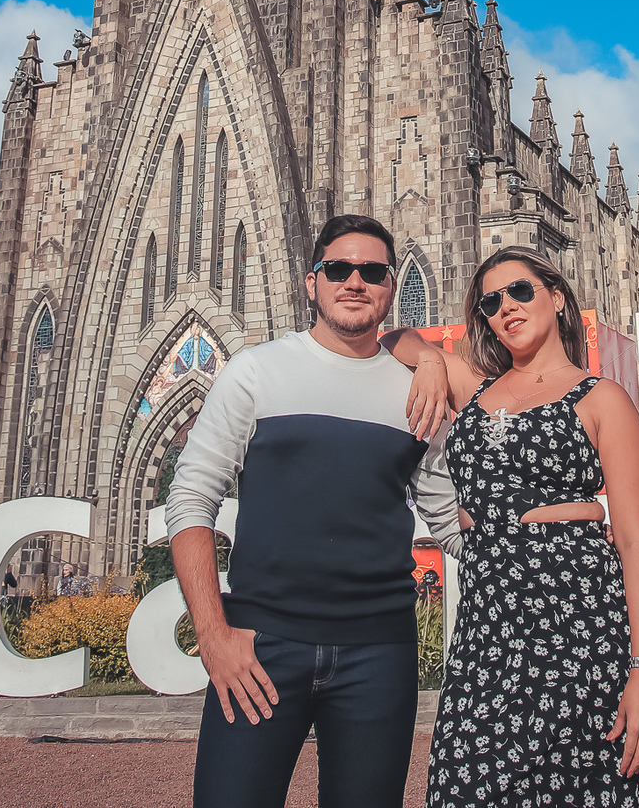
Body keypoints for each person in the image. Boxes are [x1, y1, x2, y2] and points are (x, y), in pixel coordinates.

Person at [167, 213, 457, 808]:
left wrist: (546, 536)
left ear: (390, 287)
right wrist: (213, 634)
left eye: (372, 271)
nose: (355, 282)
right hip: (263, 645)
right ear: (312, 282)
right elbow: (192, 499)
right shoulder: (256, 371)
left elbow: (448, 520)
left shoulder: (418, 391)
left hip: (379, 653)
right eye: (339, 269)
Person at [421, 246, 639, 808]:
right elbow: (396, 342)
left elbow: (634, 543)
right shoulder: (474, 388)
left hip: (579, 625)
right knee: (468, 787)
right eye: (490, 301)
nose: (505, 305)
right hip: (489, 633)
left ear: (556, 298)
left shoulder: (602, 399)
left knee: (588, 789)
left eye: (520, 291)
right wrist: (434, 361)